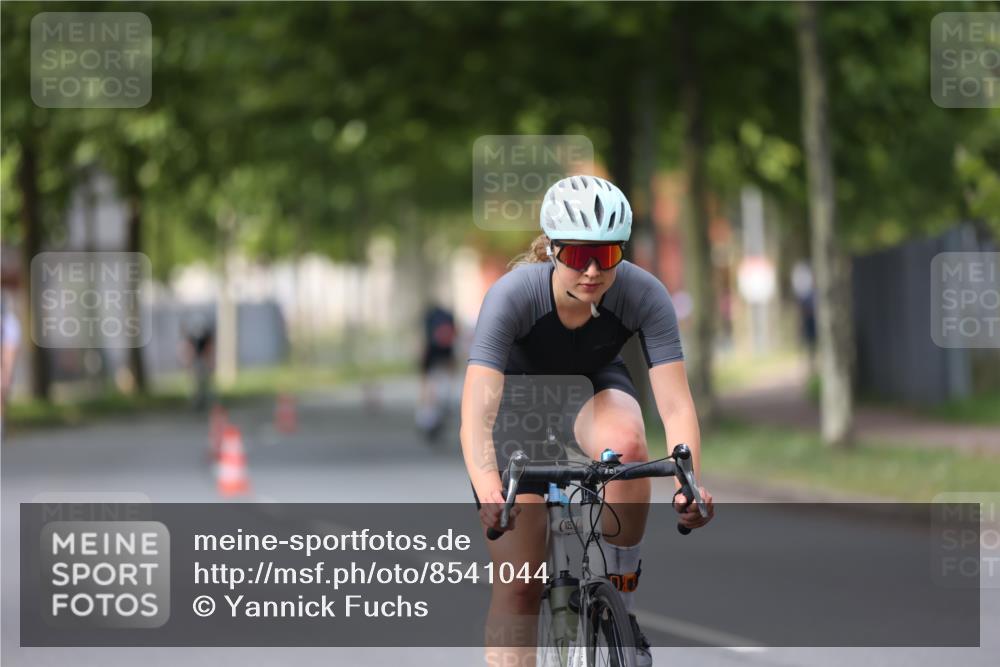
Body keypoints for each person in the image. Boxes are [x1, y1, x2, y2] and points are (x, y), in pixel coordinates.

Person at [461, 175, 715, 667]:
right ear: (553, 249)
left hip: (593, 388)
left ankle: (622, 598)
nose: (594, 270)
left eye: (609, 254)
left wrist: (689, 485)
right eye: (579, 256)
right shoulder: (512, 296)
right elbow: (475, 413)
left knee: (628, 441)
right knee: (519, 587)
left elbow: (677, 406)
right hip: (518, 408)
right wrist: (489, 487)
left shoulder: (645, 294)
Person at [416, 303, 457, 441]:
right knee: (442, 383)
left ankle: (427, 416)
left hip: (431, 354)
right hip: (446, 354)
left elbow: (425, 338)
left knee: (429, 385)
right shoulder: (448, 317)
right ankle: (442, 407)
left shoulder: (429, 318)